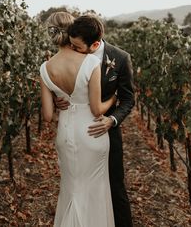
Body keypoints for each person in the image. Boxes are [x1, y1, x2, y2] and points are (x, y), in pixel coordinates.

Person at [55, 14, 135, 227]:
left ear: (96, 44)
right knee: (79, 185)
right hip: (76, 132)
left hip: (106, 131)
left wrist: (113, 120)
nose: (72, 49)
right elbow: (61, 81)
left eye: (77, 46)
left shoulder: (120, 58)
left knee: (115, 187)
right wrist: (57, 99)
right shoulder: (72, 52)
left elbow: (128, 99)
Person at [39, 11, 116, 227]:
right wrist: (113, 98)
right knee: (96, 191)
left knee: (71, 189)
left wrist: (57, 101)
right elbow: (96, 110)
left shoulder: (45, 68)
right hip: (92, 133)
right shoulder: (90, 62)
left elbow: (47, 116)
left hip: (65, 134)